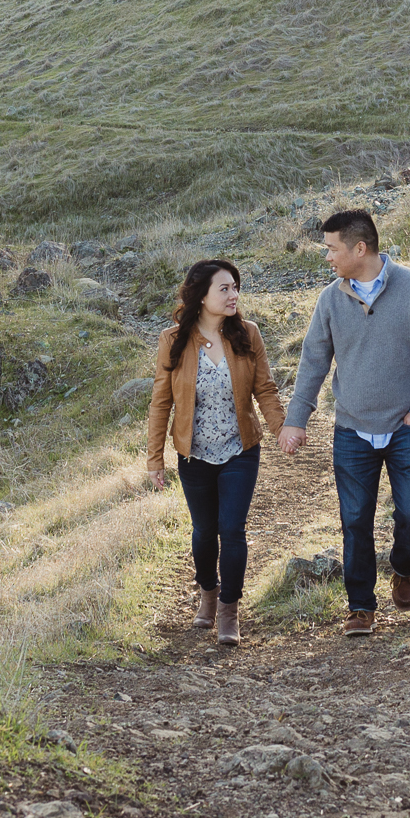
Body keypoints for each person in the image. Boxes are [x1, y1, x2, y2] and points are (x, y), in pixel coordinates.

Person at [278, 208, 410, 637]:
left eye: (332, 249)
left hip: (405, 428)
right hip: (352, 429)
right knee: (355, 519)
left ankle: (404, 564)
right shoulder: (330, 300)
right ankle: (360, 606)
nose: (327, 257)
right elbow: (313, 362)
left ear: (360, 248)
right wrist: (295, 420)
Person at [145, 258, 285, 646]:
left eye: (235, 287)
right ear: (201, 296)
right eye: (224, 288)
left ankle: (228, 608)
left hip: (241, 449)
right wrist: (155, 458)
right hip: (194, 455)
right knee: (205, 532)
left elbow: (266, 389)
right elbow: (161, 403)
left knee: (232, 529)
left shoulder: (247, 334)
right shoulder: (172, 341)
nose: (233, 295)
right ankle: (207, 593)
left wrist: (281, 429)